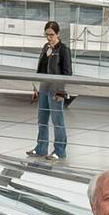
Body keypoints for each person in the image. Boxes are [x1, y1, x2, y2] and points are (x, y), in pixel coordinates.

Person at [29, 19, 71, 161]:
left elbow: (67, 73)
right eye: (47, 34)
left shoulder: (63, 50)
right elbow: (40, 69)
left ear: (58, 33)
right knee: (42, 120)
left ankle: (59, 151)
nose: (49, 37)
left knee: (57, 121)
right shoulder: (45, 47)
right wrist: (36, 87)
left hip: (55, 89)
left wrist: (61, 91)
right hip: (44, 87)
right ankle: (41, 148)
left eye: (51, 34)